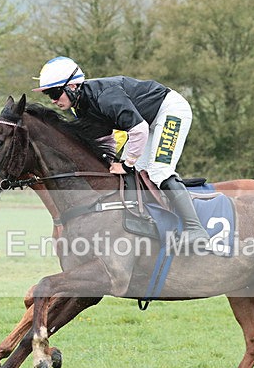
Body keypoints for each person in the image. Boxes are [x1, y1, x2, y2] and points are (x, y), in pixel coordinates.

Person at [33, 56, 209, 245]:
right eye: (48, 95)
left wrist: (126, 162)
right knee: (132, 174)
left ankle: (195, 229)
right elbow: (105, 140)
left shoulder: (106, 97)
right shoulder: (81, 107)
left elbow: (138, 129)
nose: (53, 100)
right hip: (146, 123)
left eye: (55, 93)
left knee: (159, 170)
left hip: (170, 111)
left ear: (73, 86)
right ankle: (146, 222)